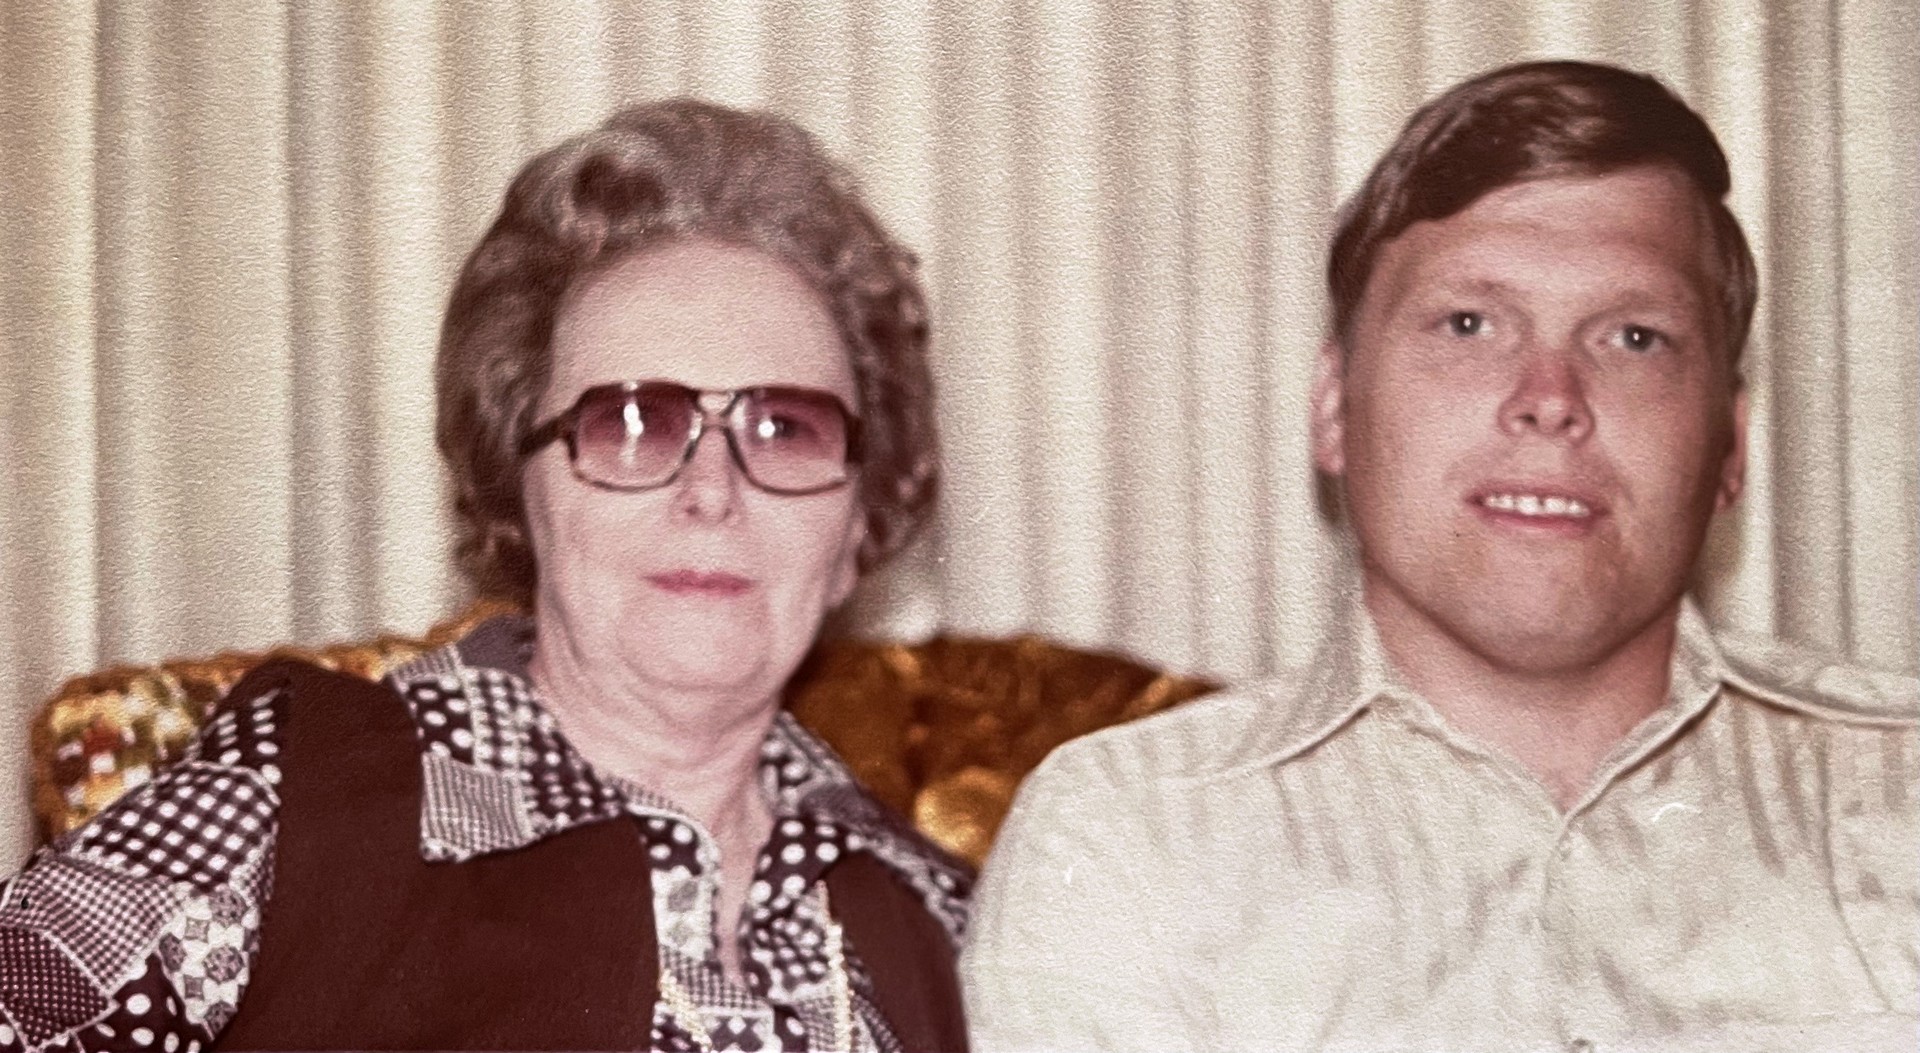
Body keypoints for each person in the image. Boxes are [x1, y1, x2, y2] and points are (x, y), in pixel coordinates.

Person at [961, 60, 1917, 1053]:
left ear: (1731, 445)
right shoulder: (1134, 839)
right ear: (1335, 410)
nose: (1551, 398)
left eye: (1635, 337)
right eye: (1470, 324)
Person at [0, 100, 969, 1052]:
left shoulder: (938, 916)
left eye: (786, 428)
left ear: (856, 523)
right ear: (520, 487)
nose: (712, 491)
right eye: (632, 422)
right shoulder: (304, 802)